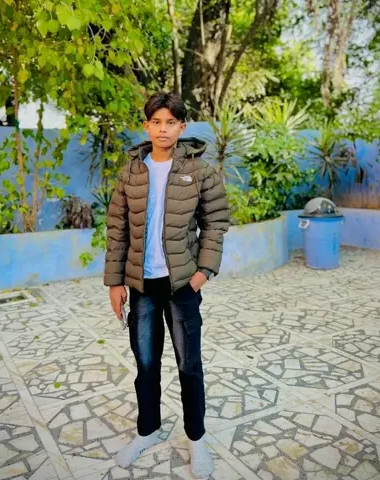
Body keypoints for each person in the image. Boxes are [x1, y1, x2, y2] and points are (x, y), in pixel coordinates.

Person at [104, 92, 230, 478]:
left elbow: (216, 222)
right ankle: (148, 430)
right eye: (156, 122)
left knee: (189, 366)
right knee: (146, 364)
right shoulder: (131, 172)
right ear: (147, 126)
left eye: (170, 122)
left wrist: (202, 273)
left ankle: (196, 440)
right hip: (142, 286)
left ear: (181, 126)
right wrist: (114, 282)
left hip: (182, 286)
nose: (163, 129)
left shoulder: (200, 171)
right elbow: (117, 228)